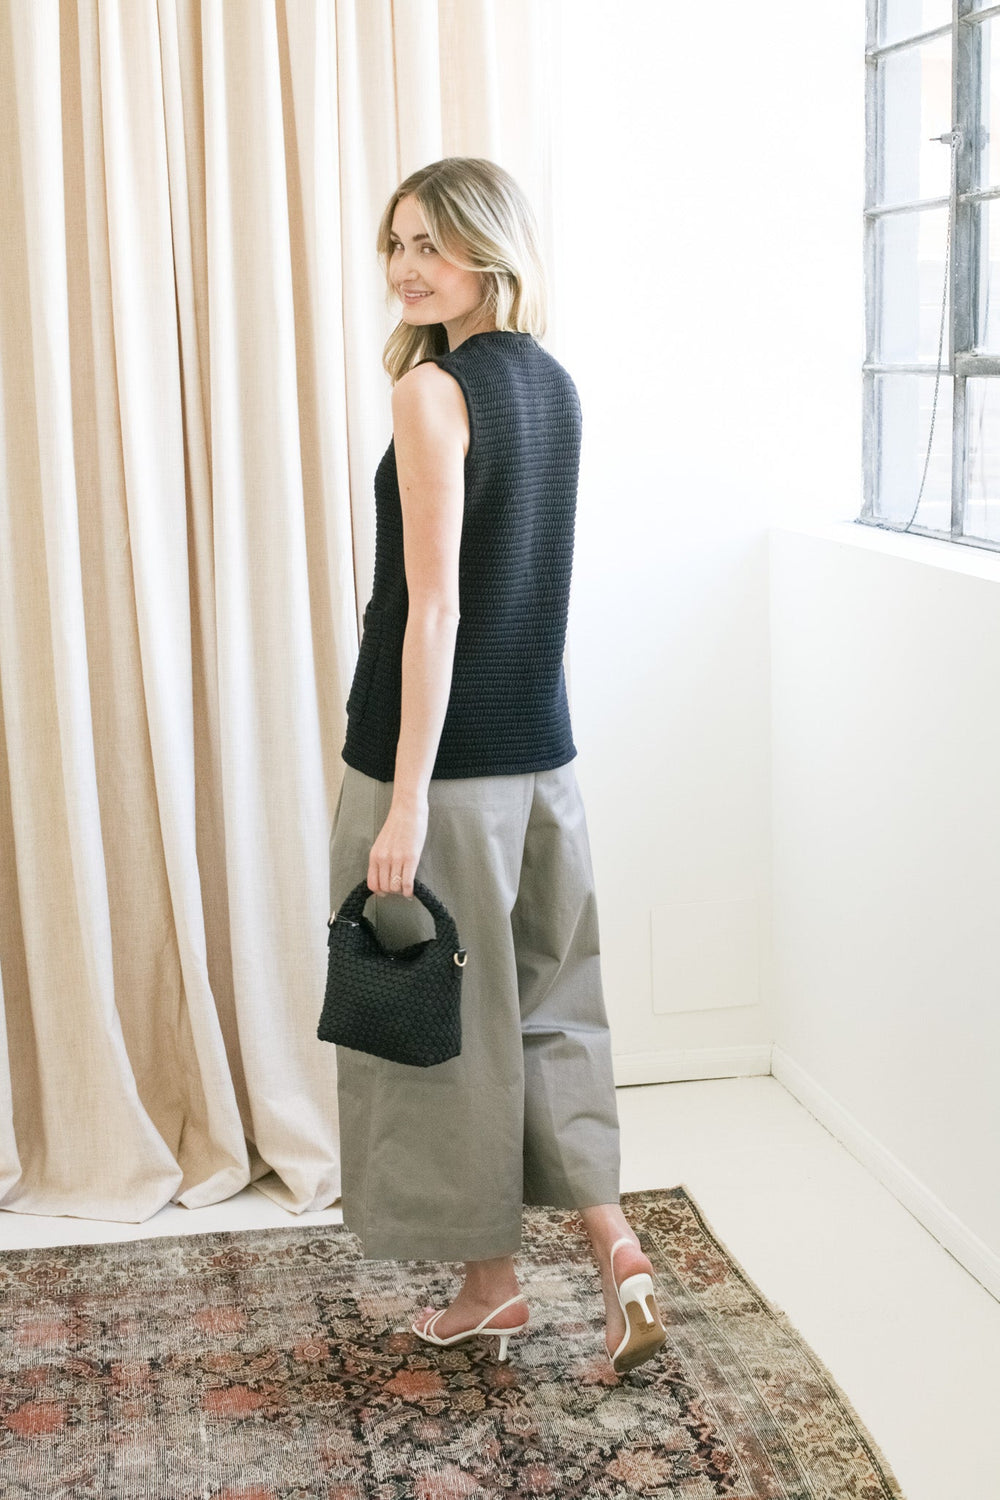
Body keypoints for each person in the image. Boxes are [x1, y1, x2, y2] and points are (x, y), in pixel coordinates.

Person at [327, 156, 666, 1375]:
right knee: (553, 1008)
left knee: (441, 1028)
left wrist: (405, 803)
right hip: (542, 765)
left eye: (432, 242)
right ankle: (617, 1248)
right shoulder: (553, 385)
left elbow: (435, 611)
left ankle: (490, 1286)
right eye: (396, 243)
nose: (406, 267)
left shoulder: (434, 392)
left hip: (442, 771)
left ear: (490, 249)